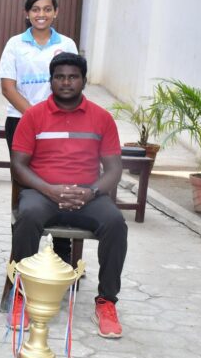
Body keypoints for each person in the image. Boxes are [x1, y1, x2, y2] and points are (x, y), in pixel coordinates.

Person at [10, 52, 127, 339]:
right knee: (28, 215)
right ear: (50, 81)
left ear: (84, 81)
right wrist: (49, 189)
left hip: (88, 196)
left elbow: (114, 168)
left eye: (73, 77)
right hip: (43, 193)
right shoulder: (34, 116)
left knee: (115, 223)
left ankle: (107, 302)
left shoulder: (101, 118)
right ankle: (21, 295)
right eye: (59, 77)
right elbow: (19, 165)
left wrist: (91, 192)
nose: (66, 82)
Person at [0, 0, 78, 262]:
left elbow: (73, 84)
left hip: (61, 123)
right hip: (21, 122)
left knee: (62, 178)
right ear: (27, 13)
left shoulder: (66, 44)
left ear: (56, 12)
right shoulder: (15, 44)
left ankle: (62, 252)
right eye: (35, 9)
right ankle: (22, 252)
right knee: (24, 182)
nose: (41, 14)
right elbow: (8, 88)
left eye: (47, 9)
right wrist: (37, 116)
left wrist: (52, 117)